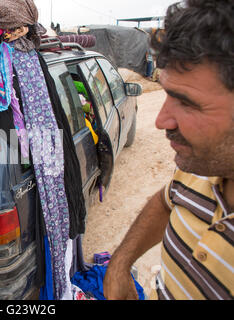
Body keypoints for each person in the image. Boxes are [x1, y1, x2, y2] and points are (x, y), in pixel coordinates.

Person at [103, 0, 233, 300]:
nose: (161, 121)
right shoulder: (200, 168)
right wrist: (120, 264)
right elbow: (166, 201)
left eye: (186, 102)